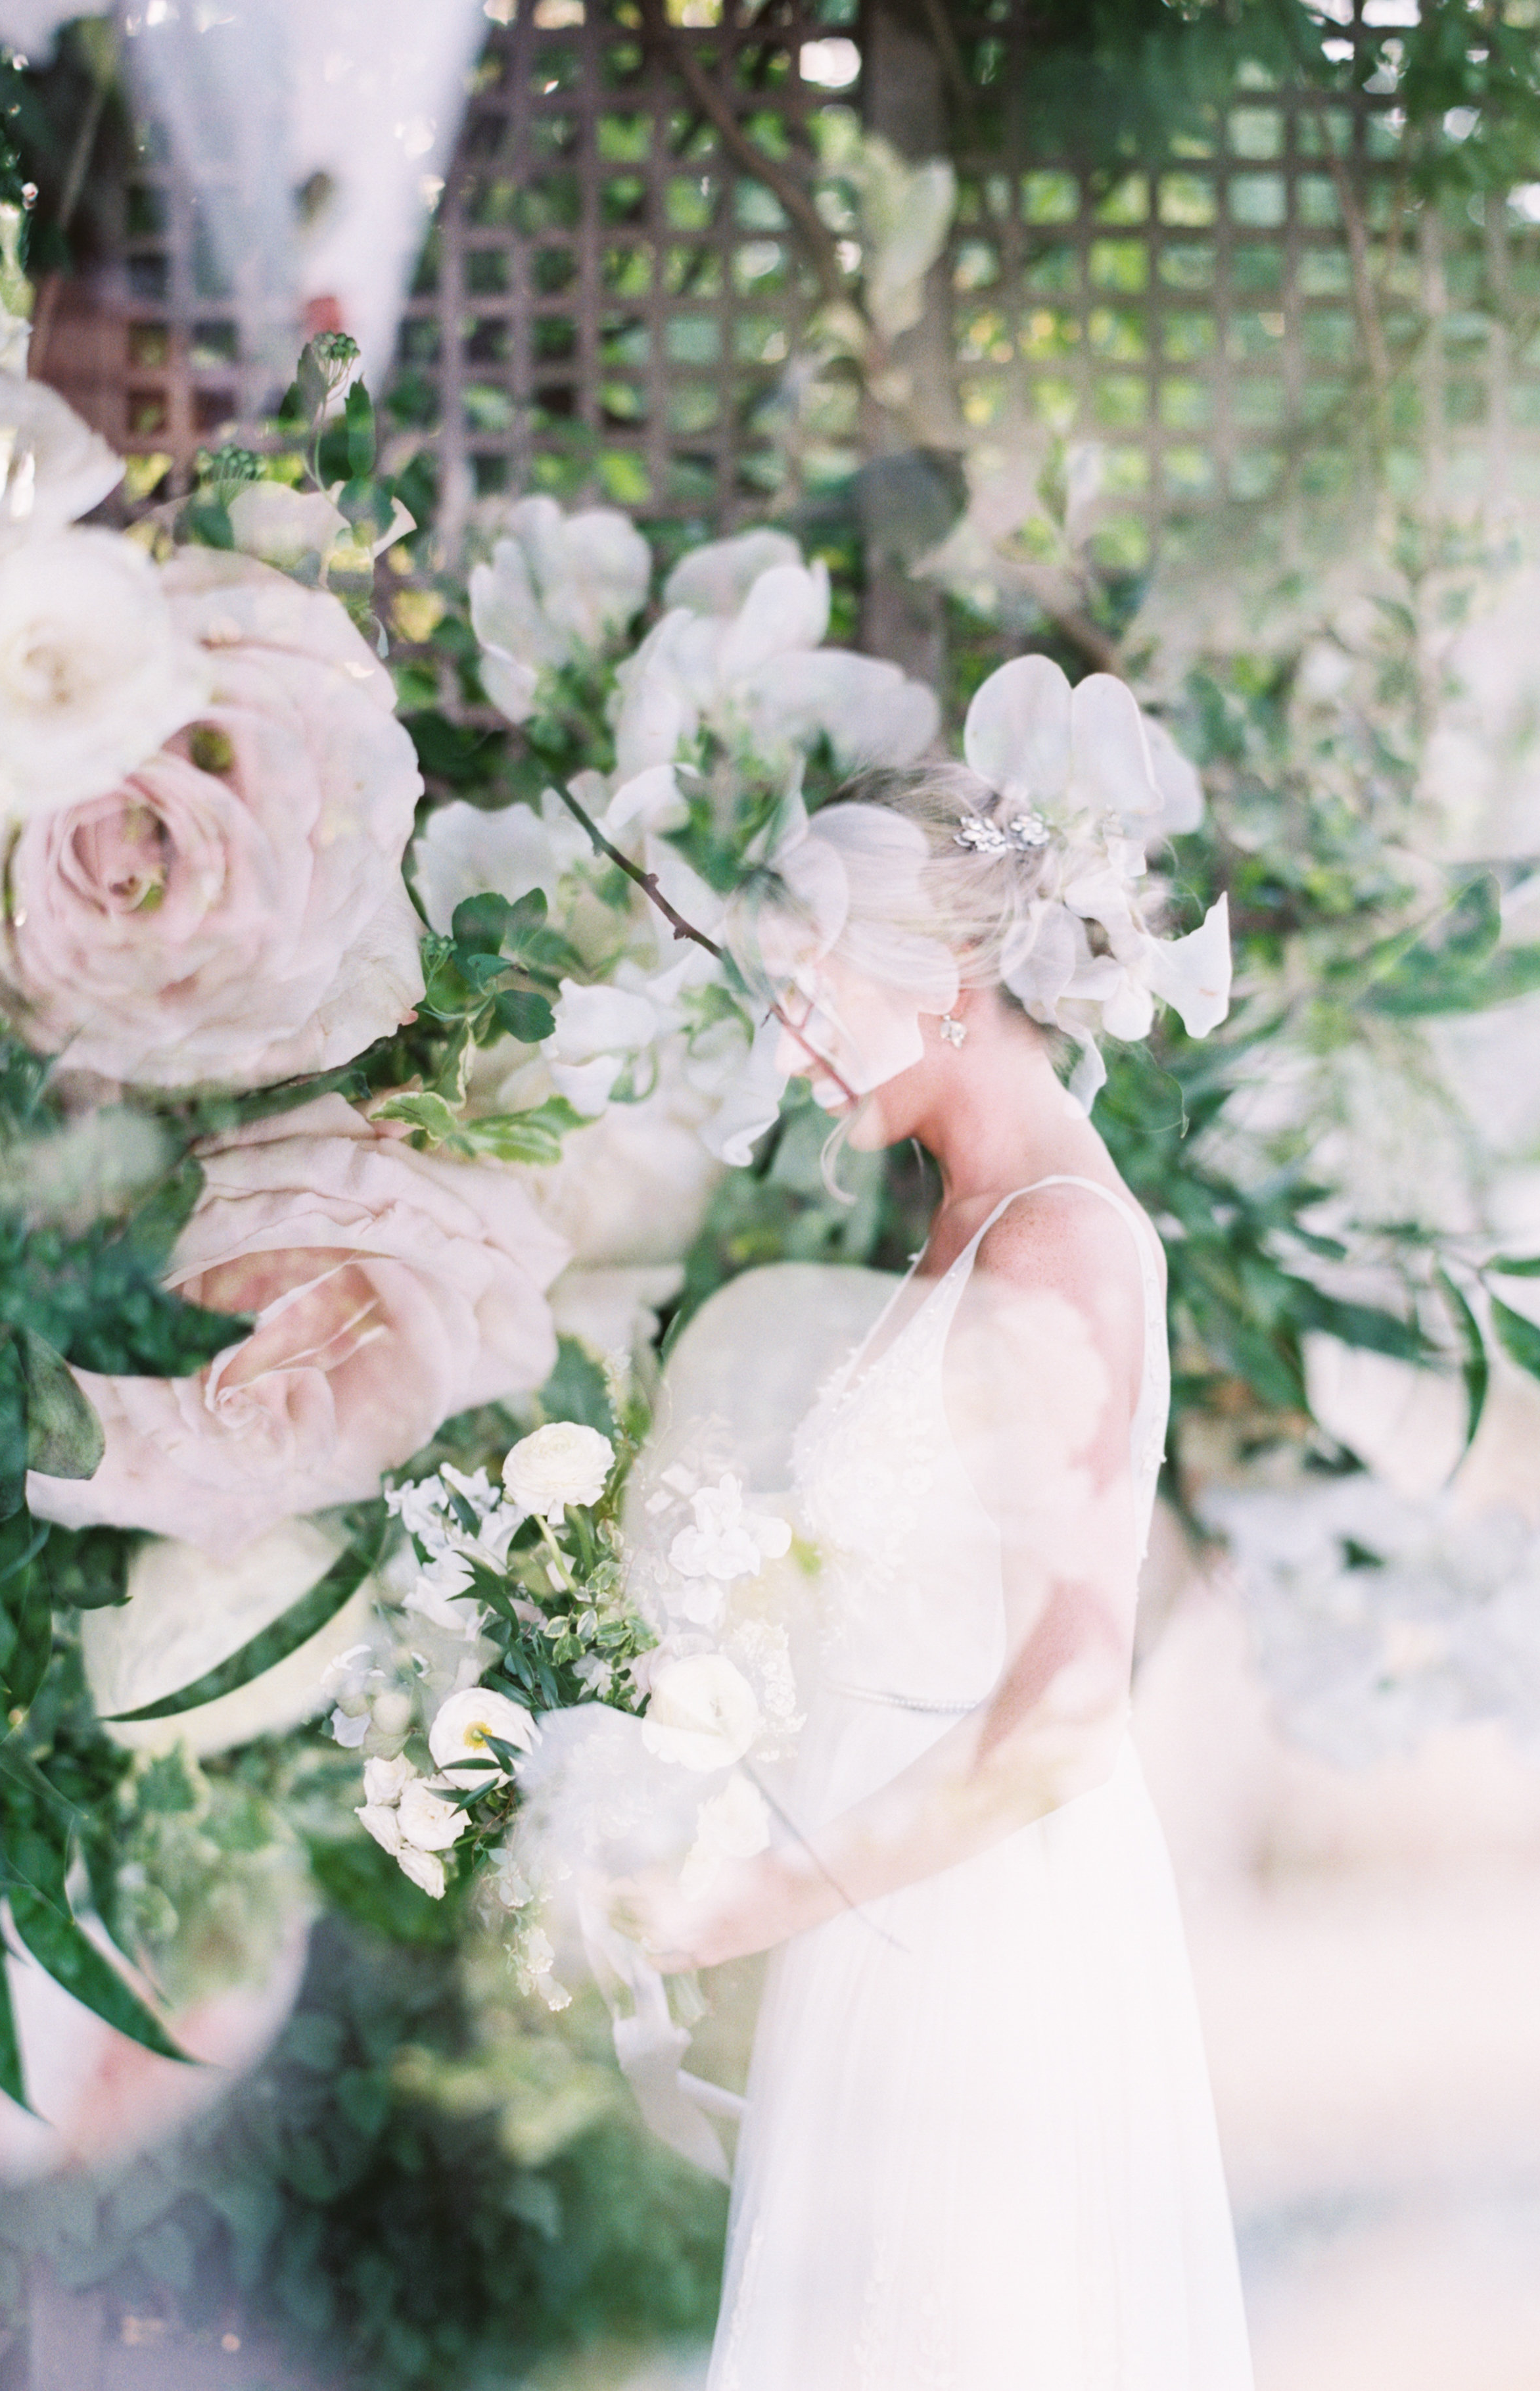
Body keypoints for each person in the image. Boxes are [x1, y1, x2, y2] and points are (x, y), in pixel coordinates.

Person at [621, 758, 1255, 2390]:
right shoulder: (963, 1224)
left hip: (979, 1959)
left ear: (948, 979)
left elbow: (1062, 1710)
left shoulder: (1059, 1241)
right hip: (884, 1915)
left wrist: (750, 1899)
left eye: (805, 988)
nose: (788, 1037)